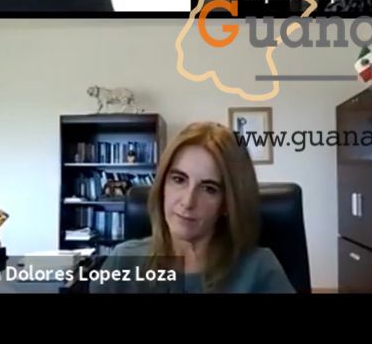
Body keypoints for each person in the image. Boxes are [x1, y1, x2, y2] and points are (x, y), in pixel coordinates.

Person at [93, 121, 294, 293]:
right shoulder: (122, 262)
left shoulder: (260, 270)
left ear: (227, 203)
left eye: (209, 188)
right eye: (179, 179)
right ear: (162, 185)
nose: (188, 202)